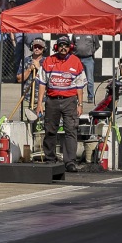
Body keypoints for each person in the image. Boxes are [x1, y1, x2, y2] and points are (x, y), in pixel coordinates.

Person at [37, 34, 87, 172]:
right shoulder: (48, 61)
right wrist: (39, 103)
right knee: (50, 130)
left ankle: (70, 161)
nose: (63, 48)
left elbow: (80, 85)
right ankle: (50, 159)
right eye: (61, 45)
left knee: (71, 130)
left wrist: (80, 104)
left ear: (70, 47)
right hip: (52, 101)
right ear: (56, 47)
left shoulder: (76, 61)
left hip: (70, 101)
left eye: (66, 45)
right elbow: (42, 83)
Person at [71, 33, 101, 102]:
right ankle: (75, 96)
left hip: (88, 58)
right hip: (77, 58)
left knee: (89, 79)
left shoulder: (93, 33)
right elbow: (71, 45)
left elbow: (97, 45)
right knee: (75, 78)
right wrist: (74, 52)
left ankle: (90, 96)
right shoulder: (75, 33)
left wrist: (91, 51)